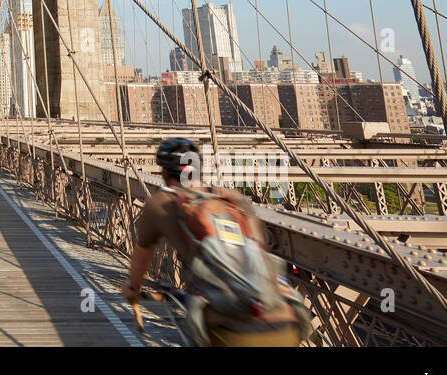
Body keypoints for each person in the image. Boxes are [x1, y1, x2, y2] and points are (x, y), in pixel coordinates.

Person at [122, 137, 310, 347]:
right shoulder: (233, 199)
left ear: (164, 173)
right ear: (200, 170)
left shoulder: (160, 204)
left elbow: (142, 257)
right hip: (286, 323)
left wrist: (132, 288)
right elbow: (260, 248)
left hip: (232, 334)